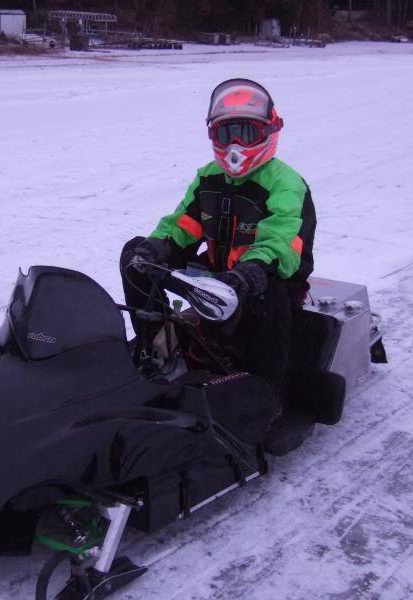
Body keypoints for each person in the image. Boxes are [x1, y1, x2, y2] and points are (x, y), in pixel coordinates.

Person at [120, 78, 316, 394]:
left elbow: (282, 240)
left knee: (269, 295)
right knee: (134, 255)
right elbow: (184, 224)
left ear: (268, 131)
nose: (235, 144)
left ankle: (265, 397)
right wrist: (157, 247)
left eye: (247, 132)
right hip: (213, 279)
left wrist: (251, 271)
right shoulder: (208, 176)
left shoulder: (286, 183)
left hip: (262, 282)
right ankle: (159, 346)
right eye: (226, 133)